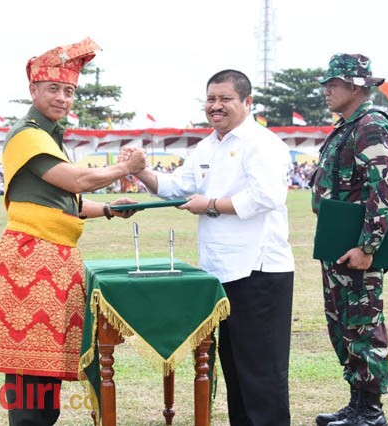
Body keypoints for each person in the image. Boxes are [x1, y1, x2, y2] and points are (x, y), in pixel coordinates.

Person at [0, 37, 147, 426]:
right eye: (53, 88)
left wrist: (107, 209)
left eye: (69, 91)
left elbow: (59, 203)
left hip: (53, 256)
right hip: (32, 257)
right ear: (33, 89)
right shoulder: (28, 135)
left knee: (48, 364)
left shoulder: (49, 134)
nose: (62, 98)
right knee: (28, 366)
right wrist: (127, 168)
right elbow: (77, 180)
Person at [125, 69, 295, 426]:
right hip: (220, 272)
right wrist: (139, 171)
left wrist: (212, 204)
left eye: (225, 99)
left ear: (247, 102)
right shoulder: (207, 146)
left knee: (261, 372)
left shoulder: (262, 143)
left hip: (259, 270)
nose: (216, 107)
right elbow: (175, 187)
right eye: (211, 100)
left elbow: (267, 197)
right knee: (234, 368)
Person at [311, 53, 388, 426]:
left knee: (363, 326)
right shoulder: (345, 126)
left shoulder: (371, 125)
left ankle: (371, 411)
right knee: (343, 325)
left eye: (333, 83)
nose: (326, 89)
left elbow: (383, 192)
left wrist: (367, 248)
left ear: (355, 86)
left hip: (357, 247)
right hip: (337, 243)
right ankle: (356, 402)